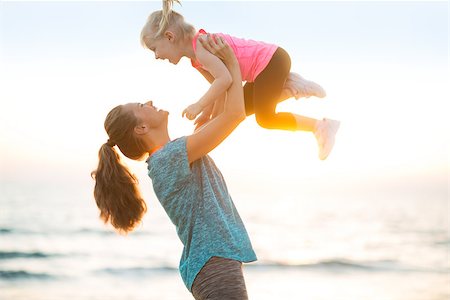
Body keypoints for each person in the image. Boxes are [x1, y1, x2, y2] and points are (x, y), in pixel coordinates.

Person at [92, 35, 256, 300]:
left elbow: (227, 105)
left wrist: (214, 65)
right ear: (141, 128)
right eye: (141, 106)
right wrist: (232, 65)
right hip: (213, 262)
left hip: (213, 261)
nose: (148, 101)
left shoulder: (175, 154)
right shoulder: (169, 158)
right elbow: (235, 114)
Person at [140, 0, 340, 160]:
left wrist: (199, 105)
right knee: (239, 108)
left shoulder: (201, 46)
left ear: (169, 37)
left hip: (272, 62)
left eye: (154, 49)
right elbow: (220, 88)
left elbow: (225, 79)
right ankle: (290, 85)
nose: (156, 56)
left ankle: (319, 125)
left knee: (266, 118)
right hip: (267, 67)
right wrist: (209, 116)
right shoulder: (196, 58)